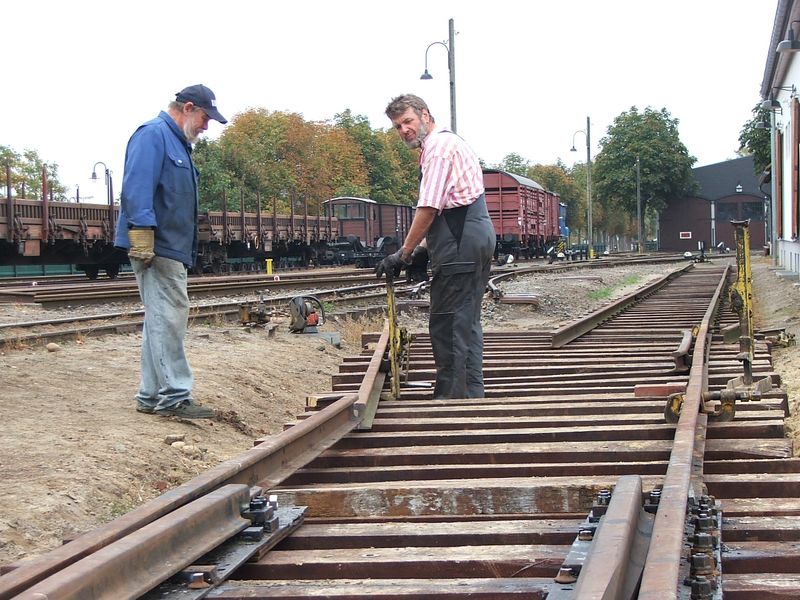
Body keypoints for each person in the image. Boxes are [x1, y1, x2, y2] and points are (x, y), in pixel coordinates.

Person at [115, 84, 227, 418]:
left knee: (160, 319)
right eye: (206, 118)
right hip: (157, 245)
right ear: (188, 108)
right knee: (170, 316)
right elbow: (136, 187)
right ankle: (173, 396)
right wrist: (143, 233)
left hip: (171, 246)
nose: (207, 127)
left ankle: (151, 396)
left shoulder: (176, 143)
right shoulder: (153, 135)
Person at [376, 94, 496, 399]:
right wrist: (422, 250)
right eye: (397, 126)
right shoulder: (447, 144)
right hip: (469, 237)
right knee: (466, 323)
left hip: (461, 244)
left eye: (407, 121)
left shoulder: (438, 149)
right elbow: (450, 211)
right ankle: (471, 396)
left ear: (425, 115)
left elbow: (429, 208)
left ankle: (451, 403)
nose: (403, 130)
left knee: (448, 323)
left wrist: (403, 253)